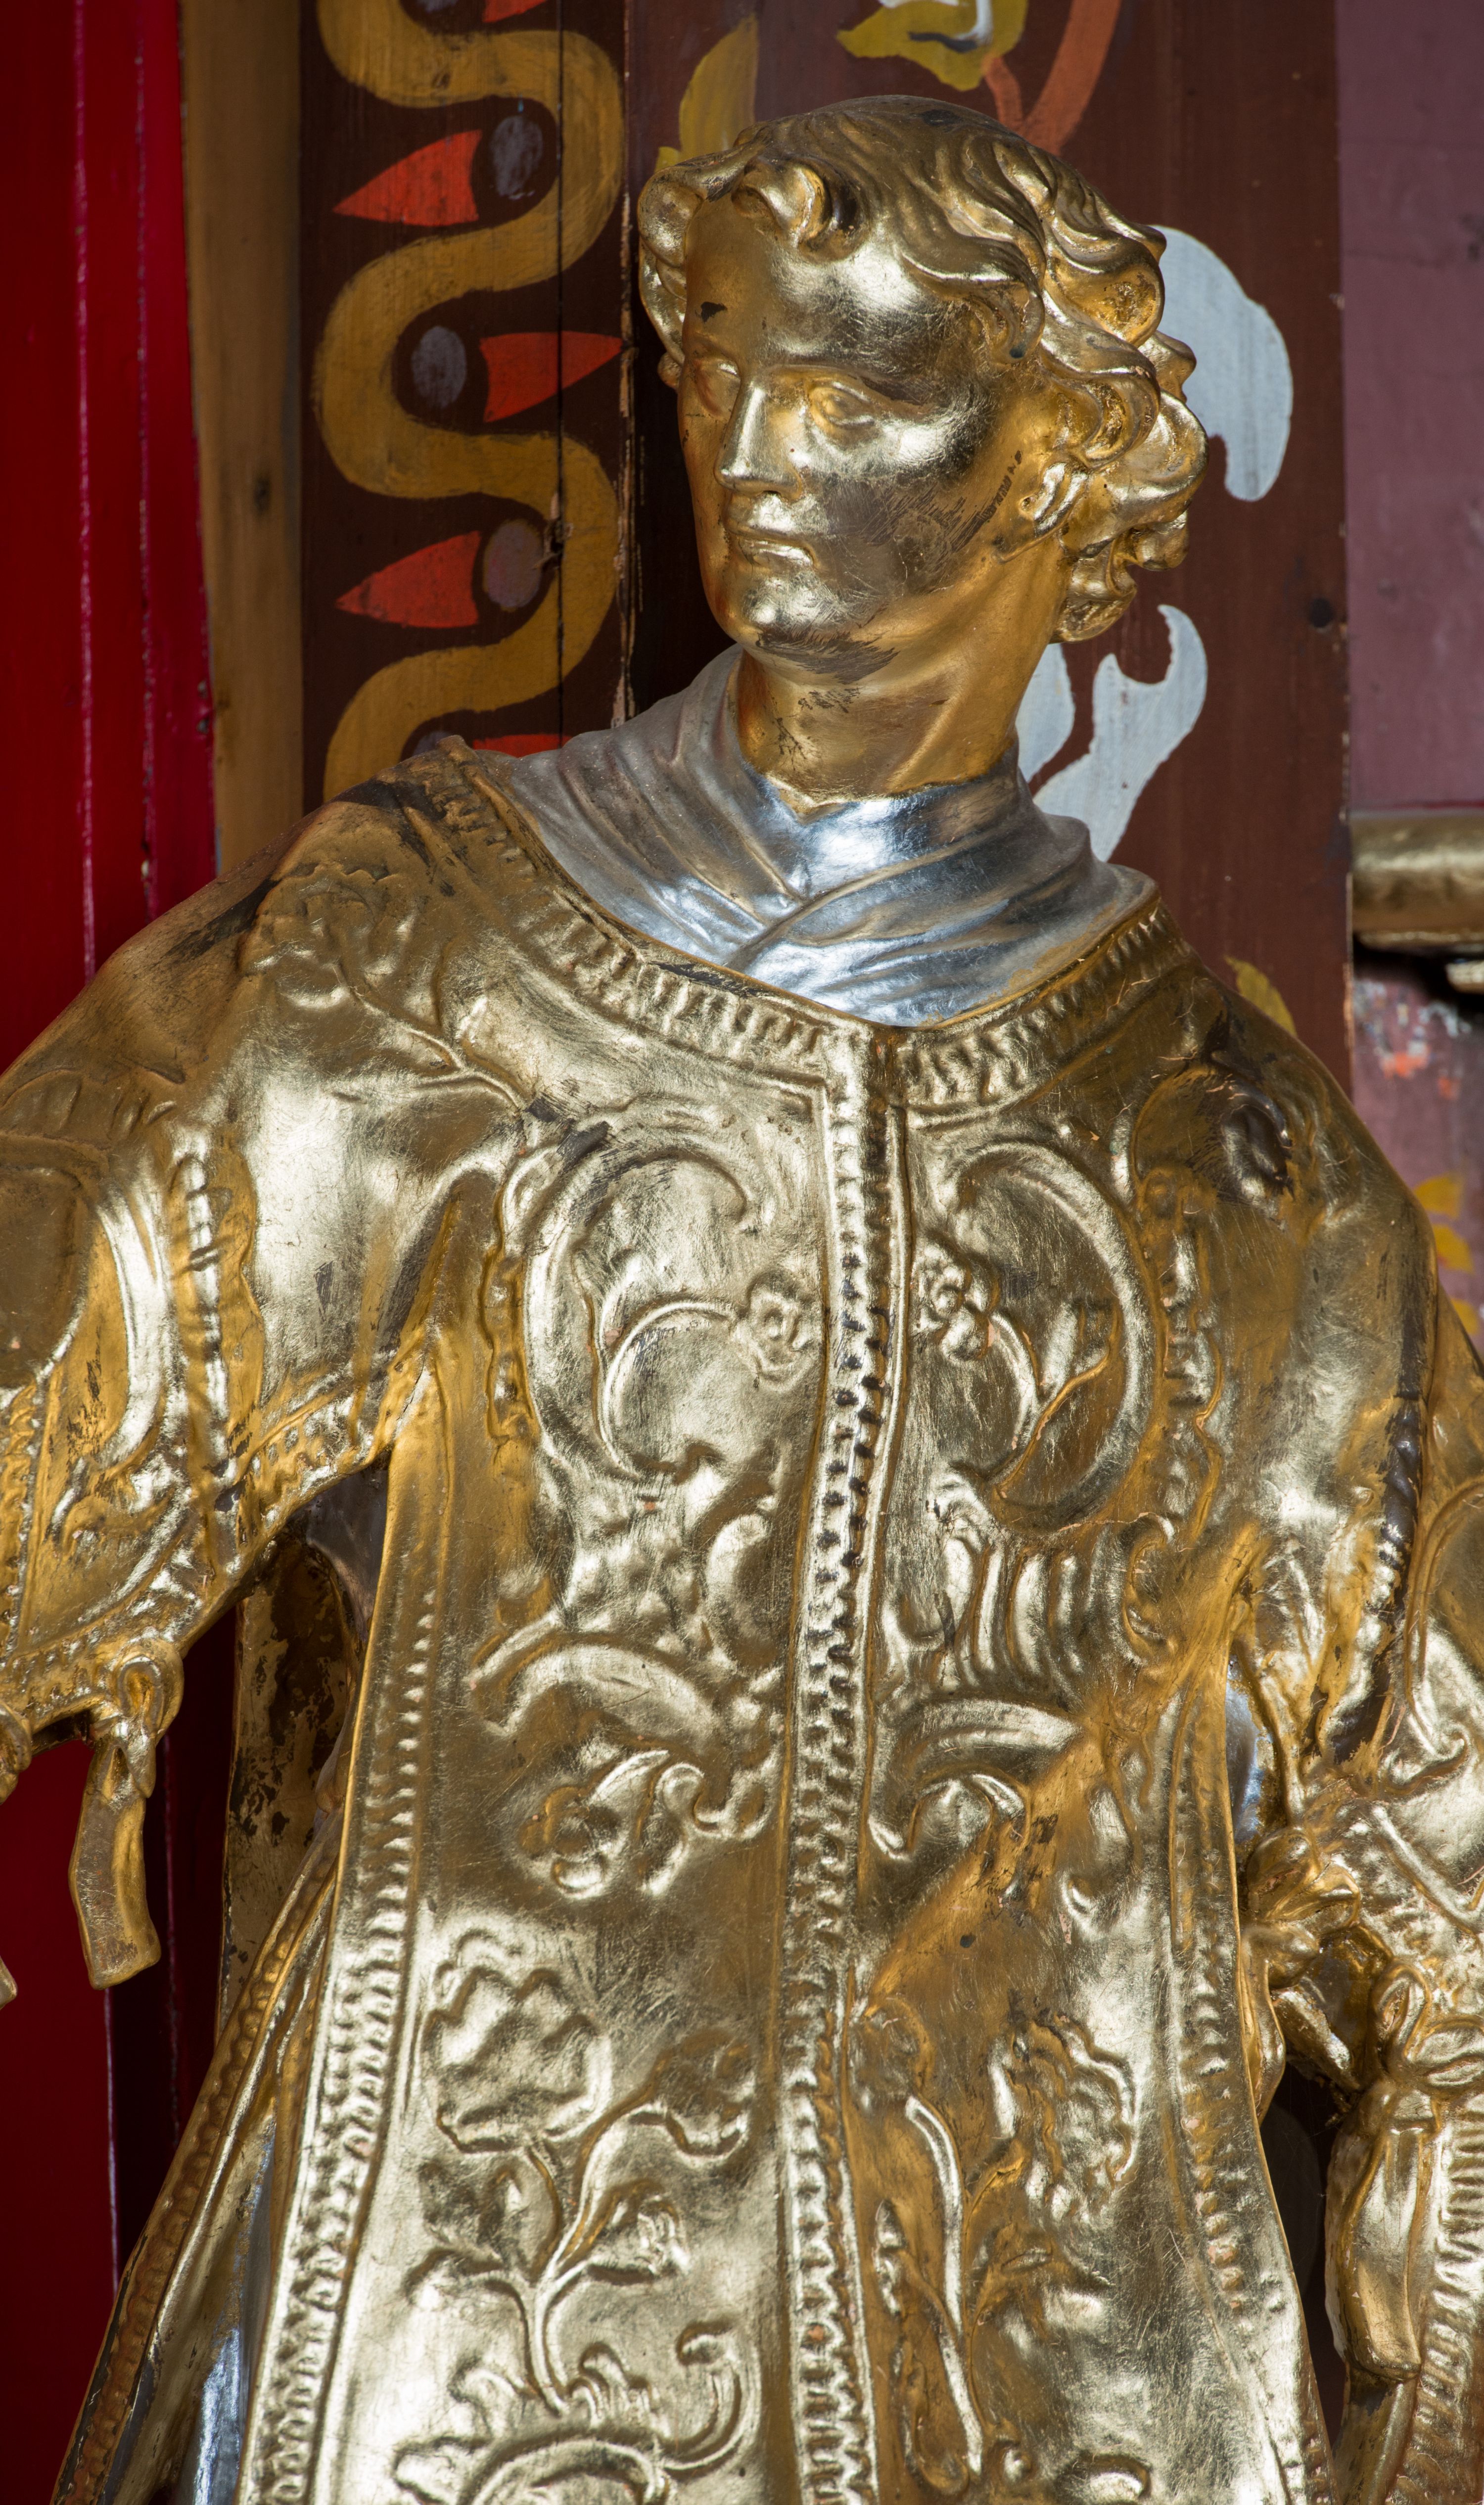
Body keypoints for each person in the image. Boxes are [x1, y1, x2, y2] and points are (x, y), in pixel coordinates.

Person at [7, 97, 1482, 2505]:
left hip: (1048, 2398)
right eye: (729, 369)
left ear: (1058, 454)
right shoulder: (415, 966)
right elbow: (53, 1354)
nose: (768, 454)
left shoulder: (1246, 1176)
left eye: (870, 387)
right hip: (422, 2352)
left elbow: (1444, 1856)